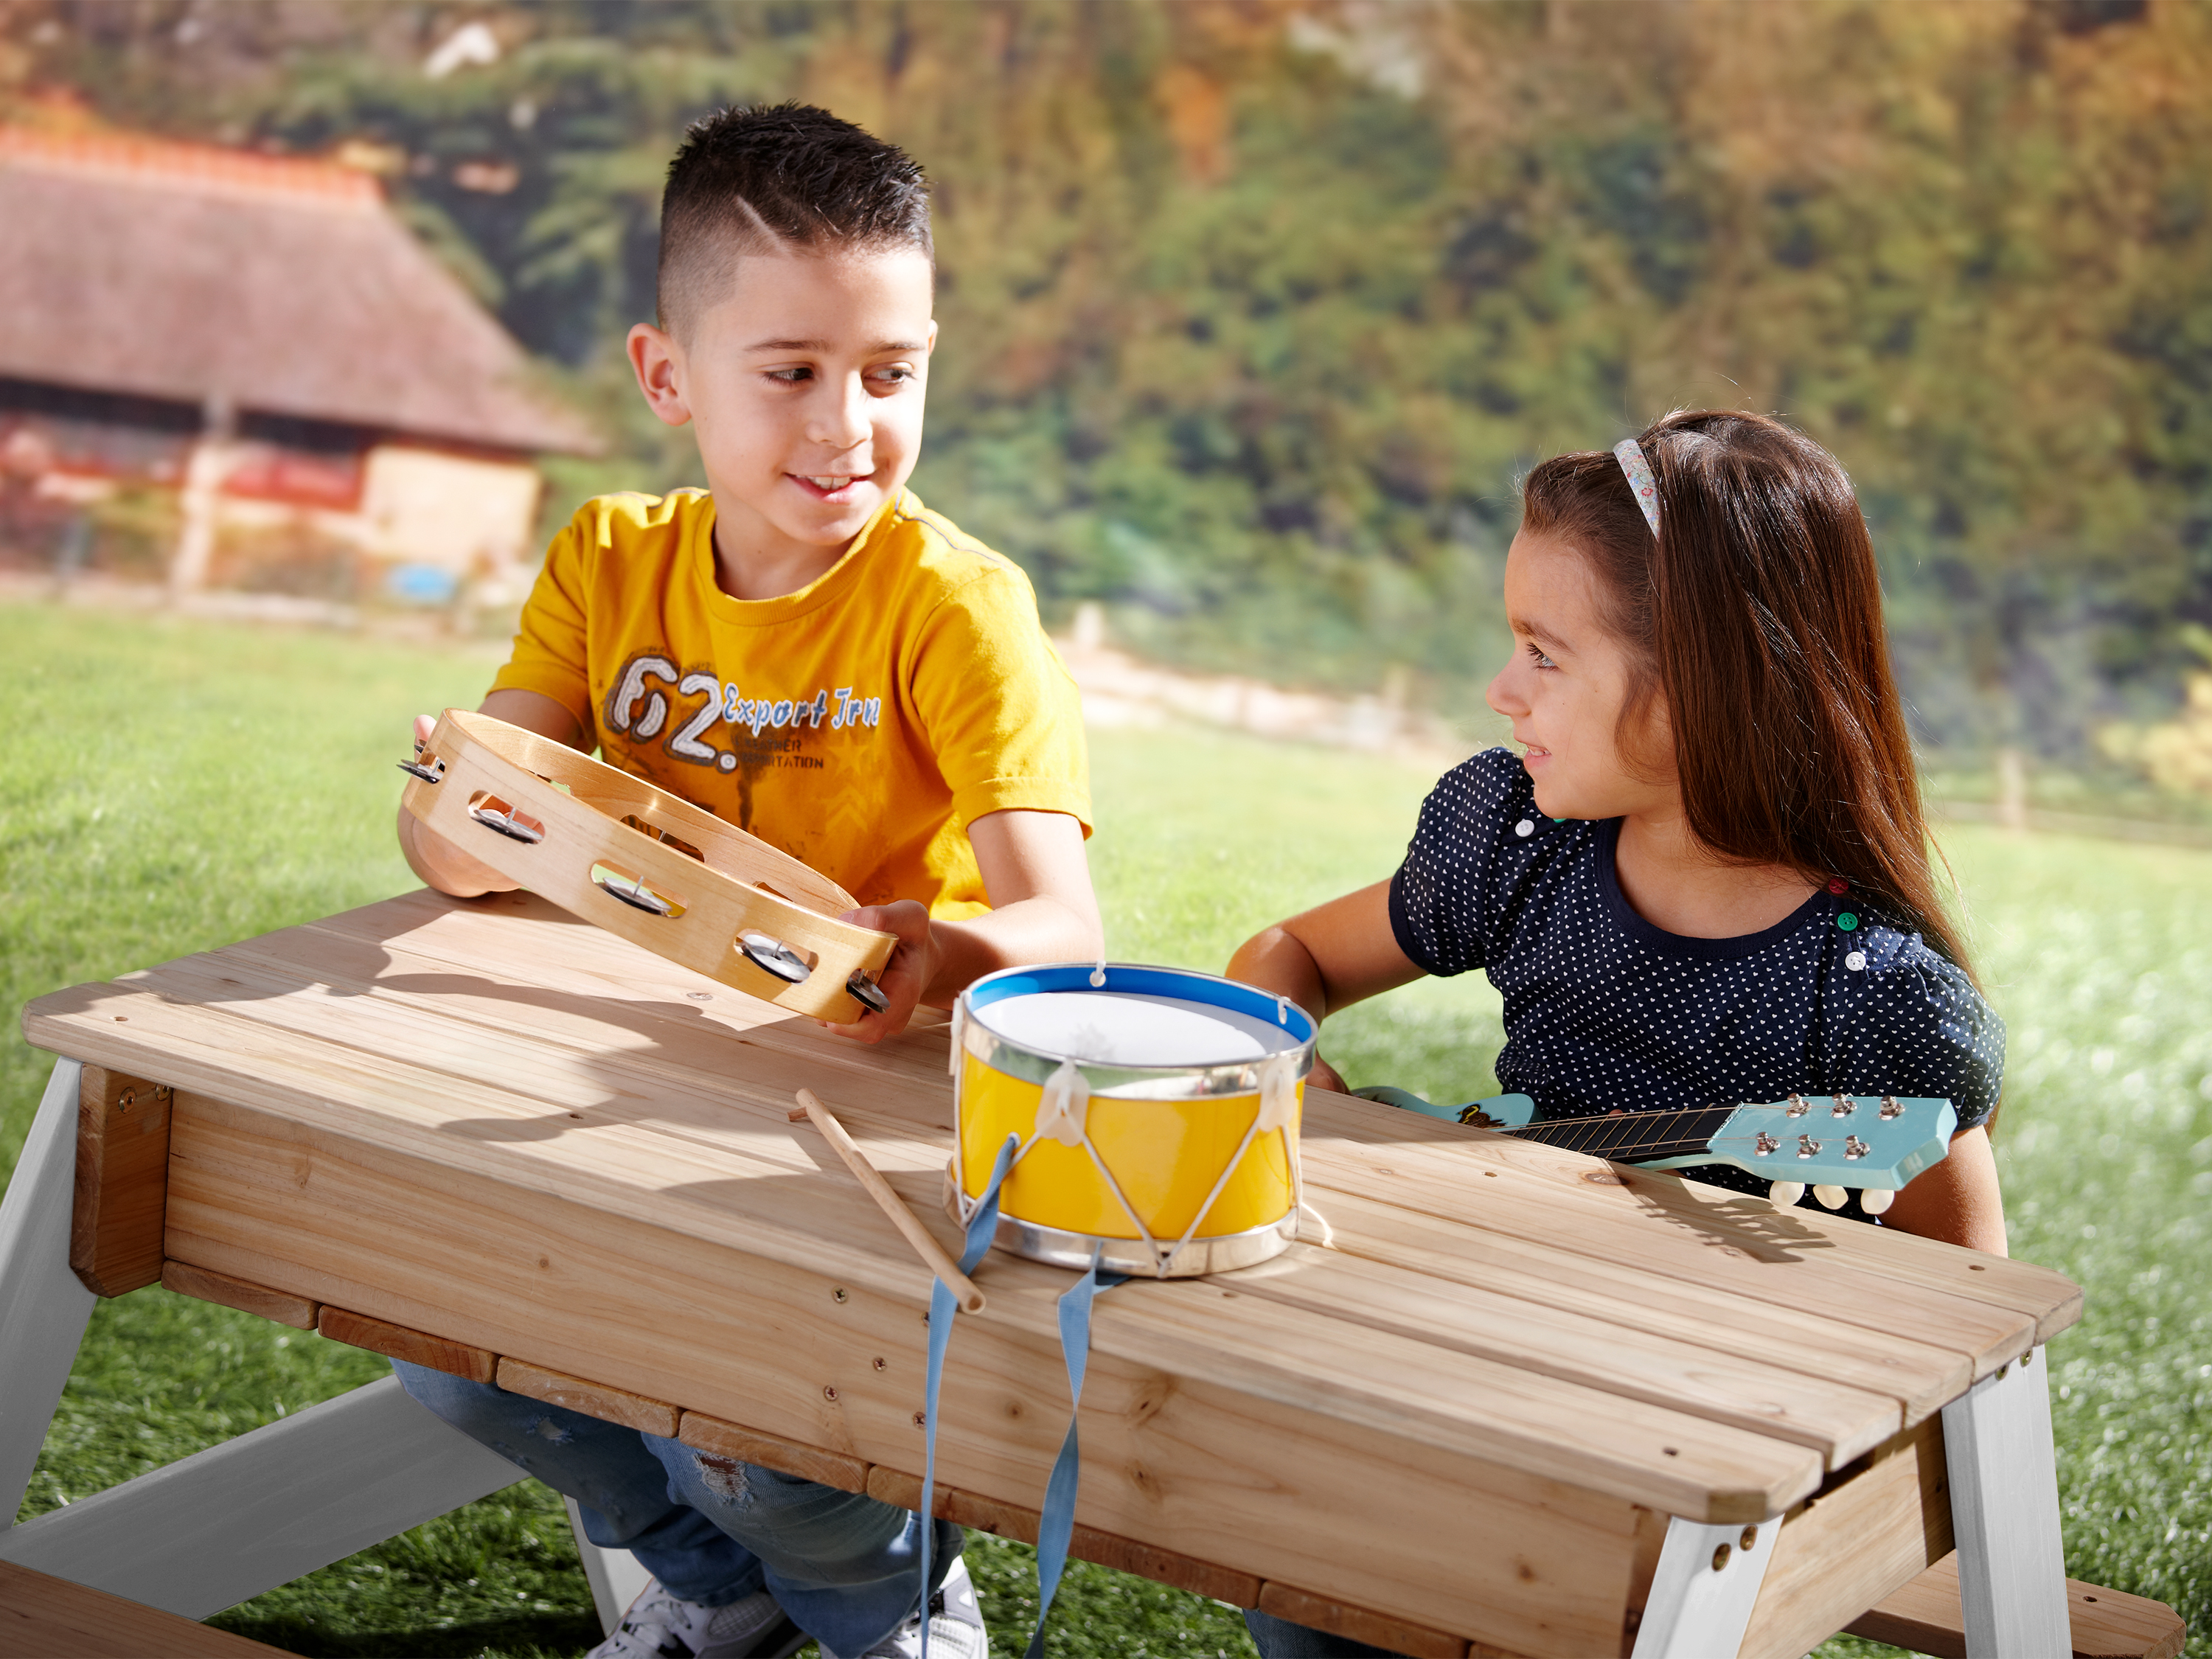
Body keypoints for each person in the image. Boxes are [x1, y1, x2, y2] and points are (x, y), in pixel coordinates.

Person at [393, 103, 1101, 1659]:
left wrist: (948, 946)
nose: (848, 423)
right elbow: (465, 835)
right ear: (668, 377)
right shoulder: (607, 560)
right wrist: (453, 803)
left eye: (889, 372)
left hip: (850, 1128)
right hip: (601, 1085)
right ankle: (715, 1597)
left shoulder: (959, 608)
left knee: (757, 1449)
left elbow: (1068, 925)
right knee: (441, 1355)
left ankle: (893, 1610)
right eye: (791, 372)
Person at [1225, 410, 2008, 1658]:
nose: (1501, 689)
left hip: (1687, 1450)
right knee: (1312, 1570)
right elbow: (1292, 956)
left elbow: (1972, 1323)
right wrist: (1291, 1065)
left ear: (1710, 681)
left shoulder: (1870, 995)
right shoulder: (1526, 844)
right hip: (1484, 1347)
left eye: (1545, 651)